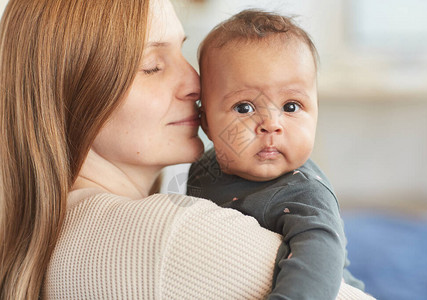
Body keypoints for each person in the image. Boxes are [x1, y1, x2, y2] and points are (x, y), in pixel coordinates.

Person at [0, 0, 374, 299]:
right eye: (152, 66)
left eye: (182, 52)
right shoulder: (165, 235)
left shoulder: (57, 231)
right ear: (75, 94)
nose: (195, 84)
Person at [187, 9, 365, 299]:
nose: (271, 124)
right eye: (244, 107)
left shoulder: (304, 193)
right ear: (206, 122)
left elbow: (318, 263)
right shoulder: (202, 170)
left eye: (291, 106)